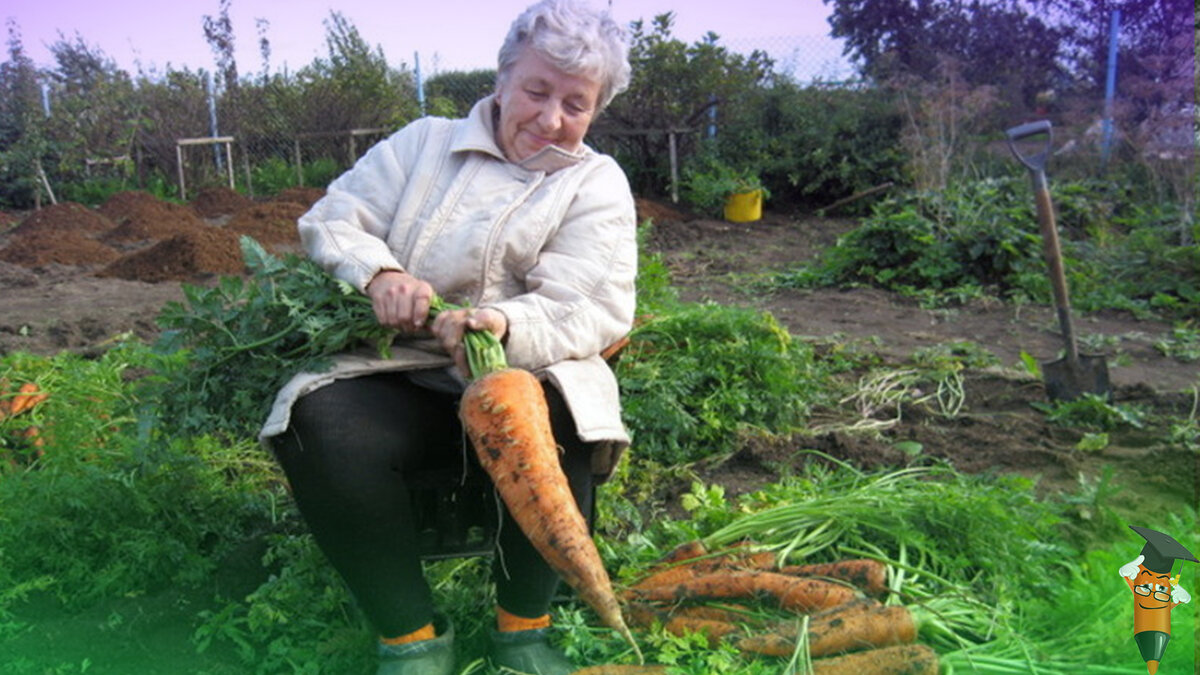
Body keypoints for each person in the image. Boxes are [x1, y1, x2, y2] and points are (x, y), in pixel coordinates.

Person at [258, 1, 636, 673]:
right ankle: (410, 636)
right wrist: (379, 271)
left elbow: (590, 306)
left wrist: (502, 324)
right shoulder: (424, 143)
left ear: (597, 110)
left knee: (566, 420)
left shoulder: (596, 184)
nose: (551, 119)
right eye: (537, 91)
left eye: (575, 105)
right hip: (396, 371)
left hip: (526, 374)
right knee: (316, 422)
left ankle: (525, 627)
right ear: (502, 78)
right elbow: (334, 218)